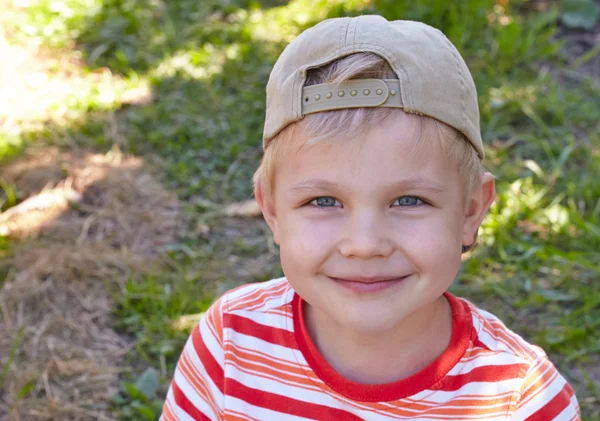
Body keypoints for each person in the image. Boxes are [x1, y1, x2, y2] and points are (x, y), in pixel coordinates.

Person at [160, 15, 580, 420]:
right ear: (272, 211)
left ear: (471, 210)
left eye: (408, 200)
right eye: (324, 202)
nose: (364, 244)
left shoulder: (522, 400)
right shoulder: (230, 342)